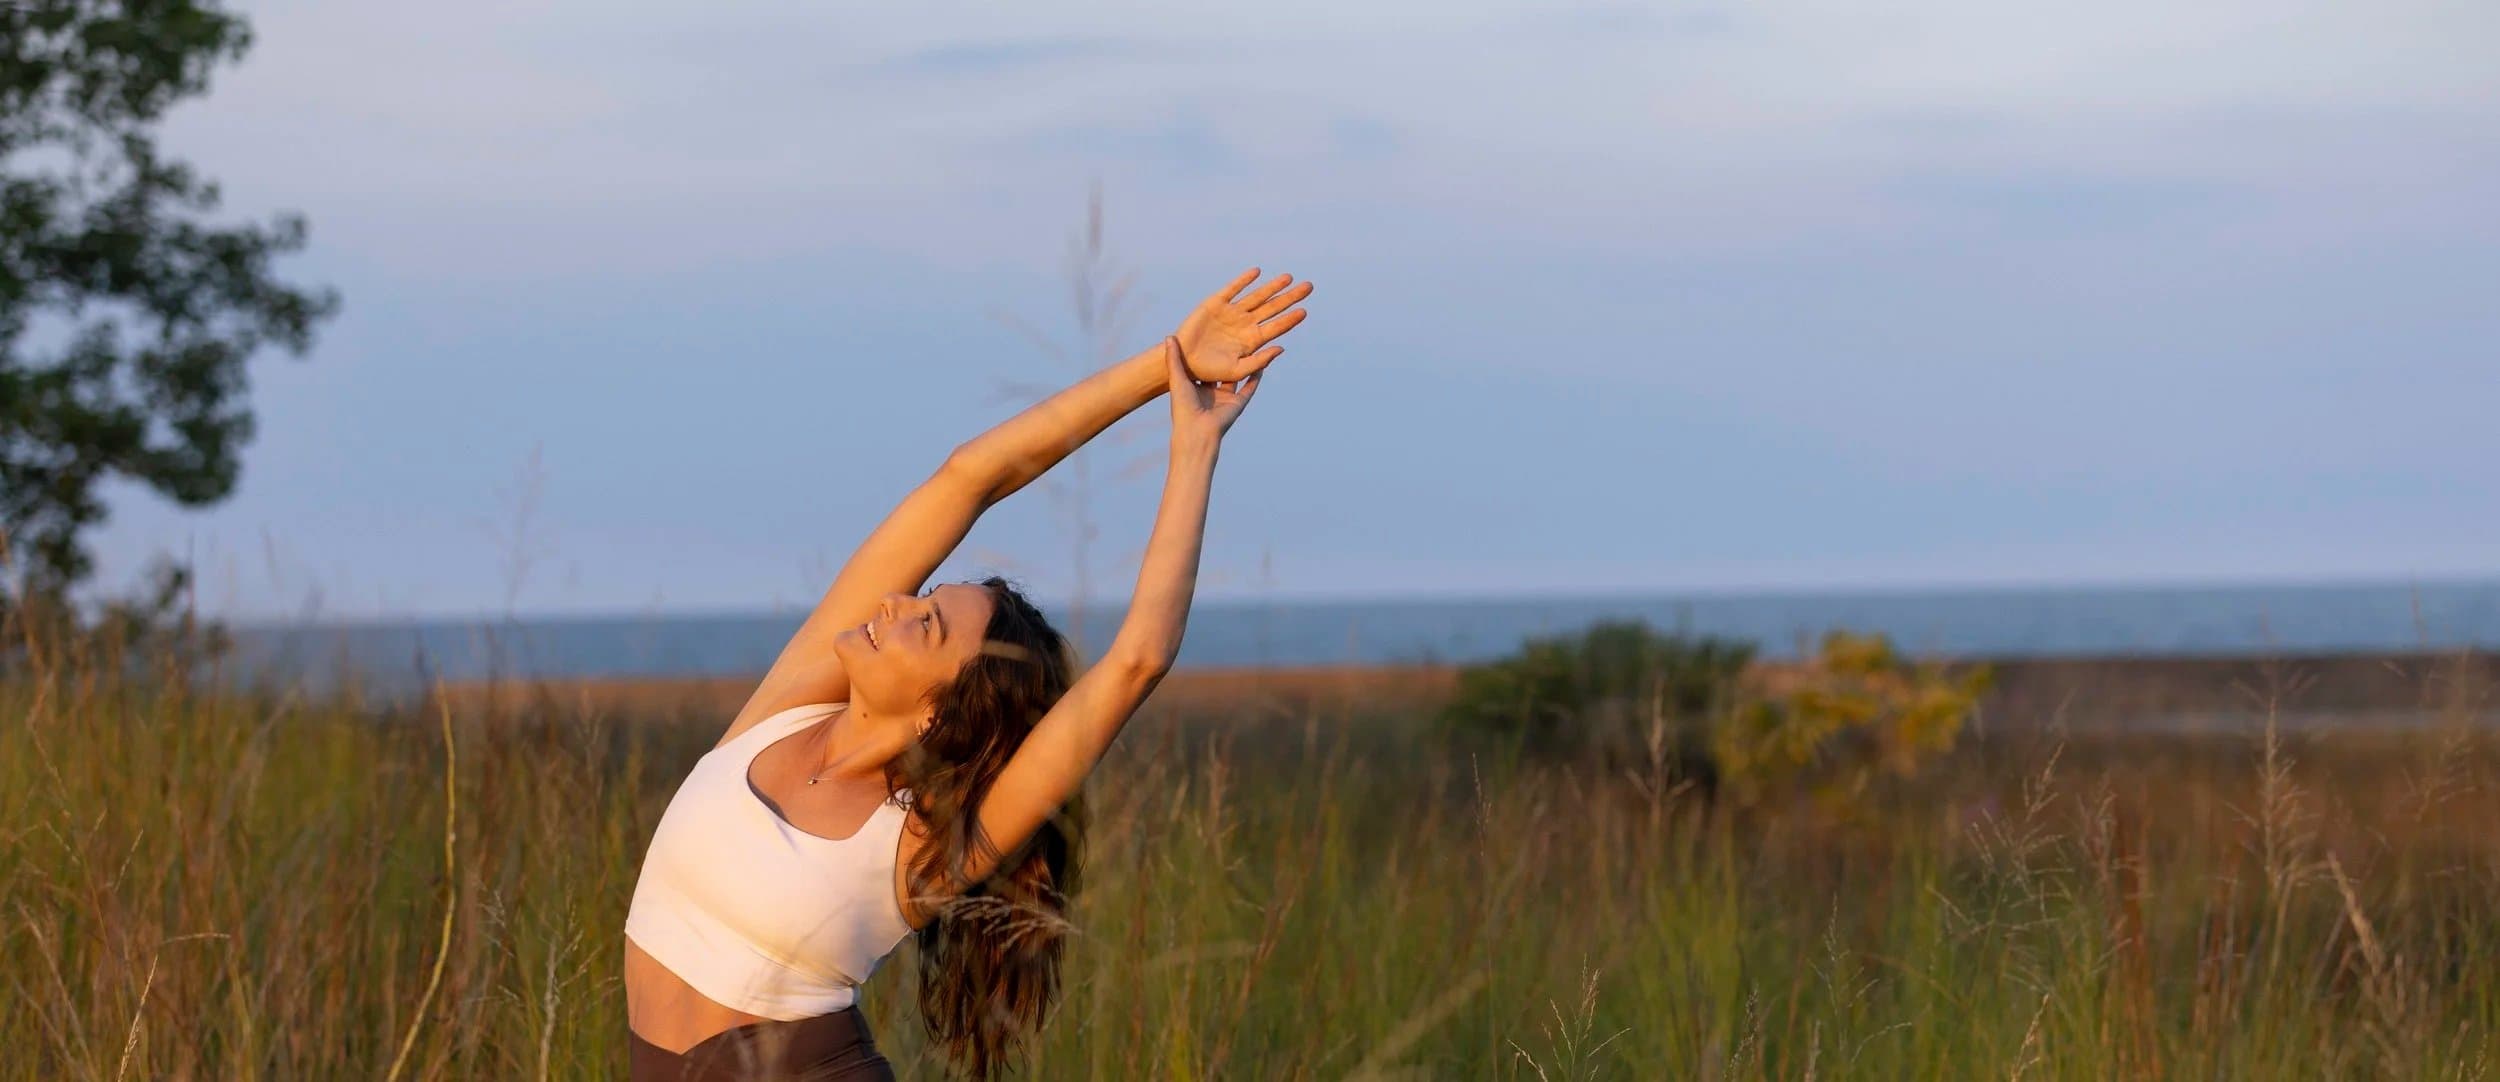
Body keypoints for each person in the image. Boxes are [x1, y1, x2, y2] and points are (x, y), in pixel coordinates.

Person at [621, 268, 1314, 1080]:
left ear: (939, 714)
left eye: (930, 624)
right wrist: (1169, 363)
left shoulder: (923, 847)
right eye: (924, 598)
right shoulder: (785, 709)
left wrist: (1193, 445)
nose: (898, 603)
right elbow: (969, 479)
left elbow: (1138, 660)